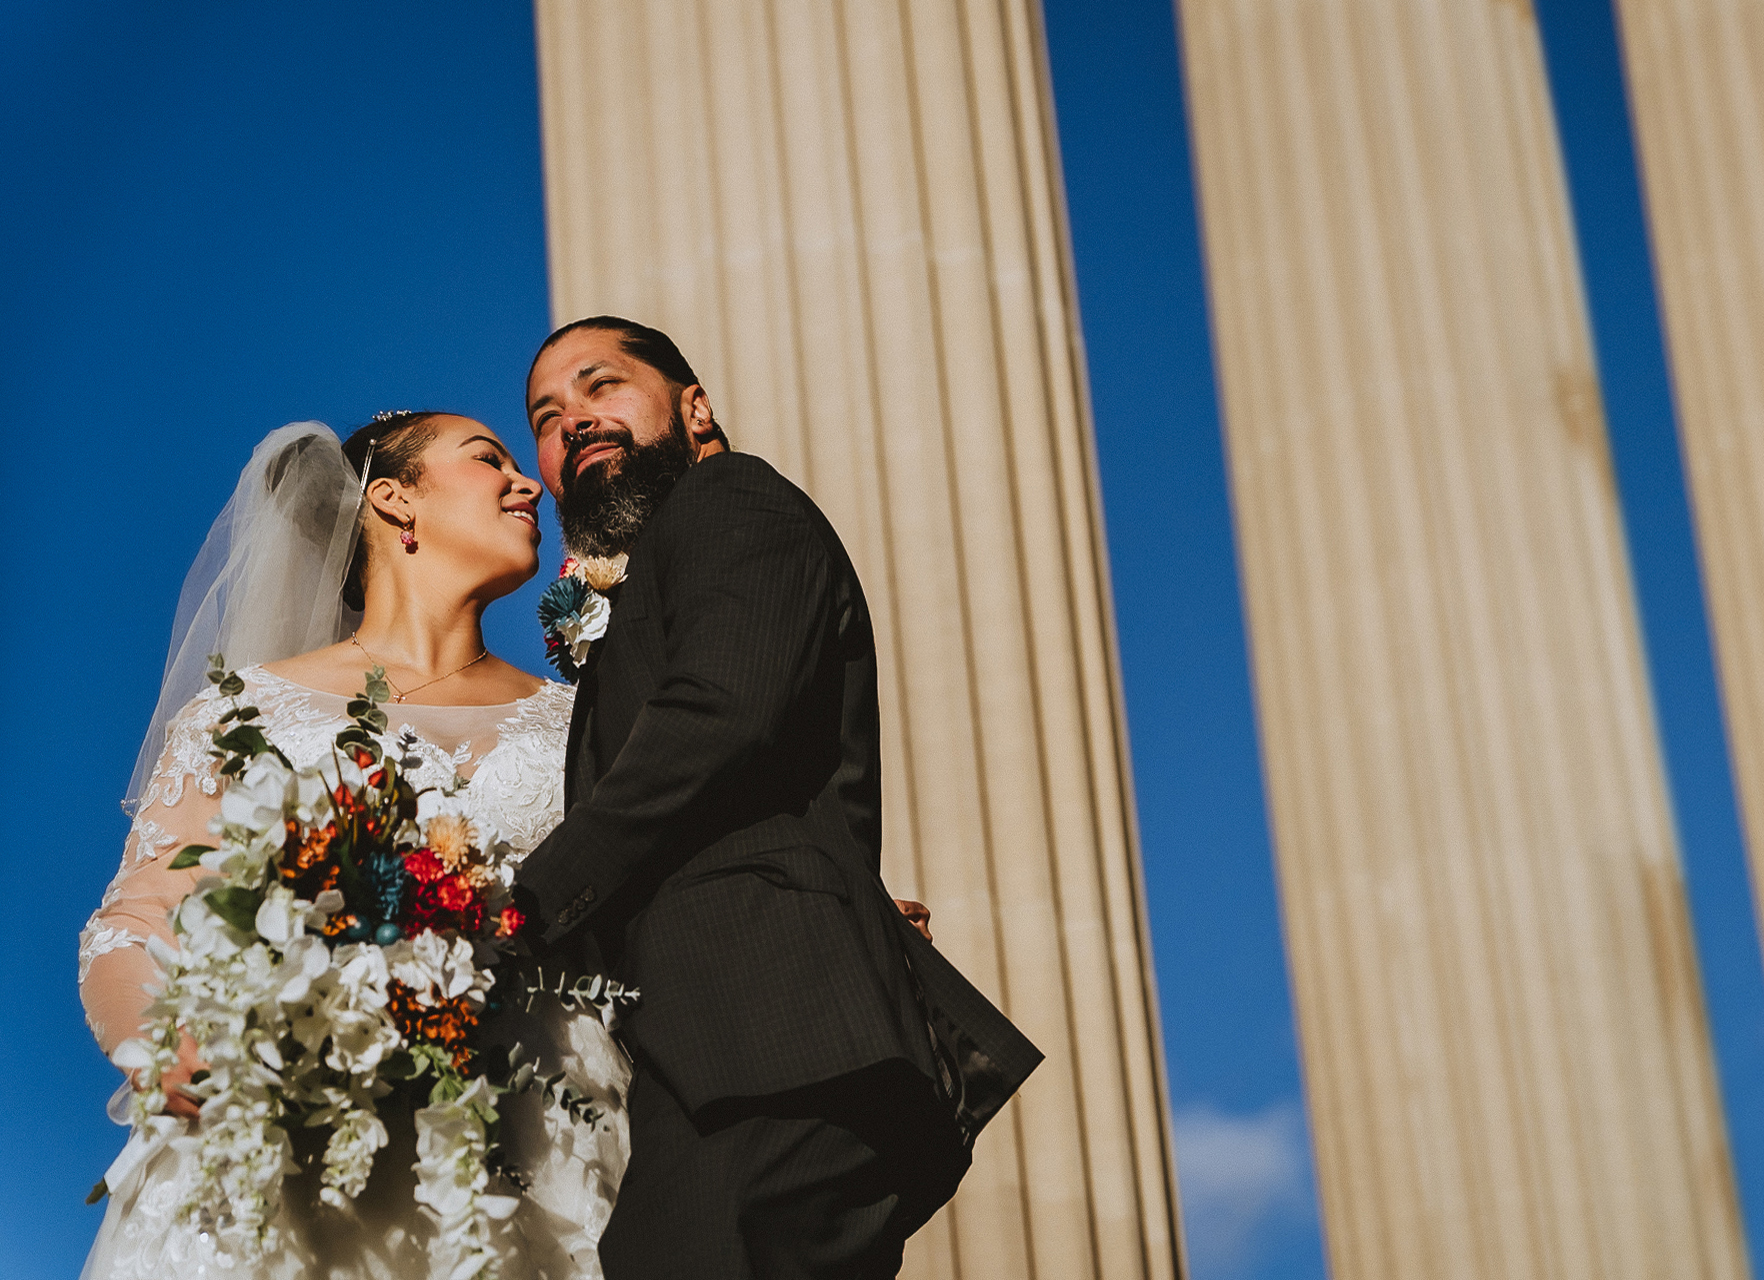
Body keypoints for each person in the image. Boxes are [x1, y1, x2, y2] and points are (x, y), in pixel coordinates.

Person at [514, 316, 1044, 1279]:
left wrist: (532, 902)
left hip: (777, 1042)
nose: (575, 422)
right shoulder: (653, 575)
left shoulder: (731, 498)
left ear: (696, 407)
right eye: (548, 417)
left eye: (602, 387)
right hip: (715, 1054)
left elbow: (723, 712)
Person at [79, 414, 629, 1278]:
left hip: (541, 1154)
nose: (529, 485)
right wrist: (164, 1047)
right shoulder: (242, 713)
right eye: (491, 460)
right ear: (392, 497)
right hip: (294, 1148)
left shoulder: (585, 723)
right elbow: (136, 918)